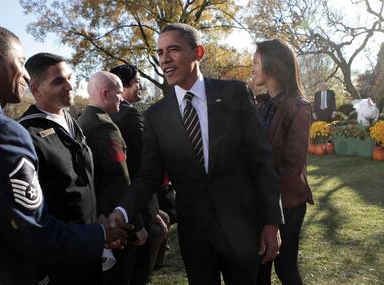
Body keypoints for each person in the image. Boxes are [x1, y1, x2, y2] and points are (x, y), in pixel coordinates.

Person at [108, 23, 284, 285]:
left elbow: (262, 160)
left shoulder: (235, 93)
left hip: (244, 228)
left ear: (198, 52)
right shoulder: (156, 116)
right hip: (196, 237)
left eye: (173, 49)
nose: (164, 58)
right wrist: (122, 212)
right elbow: (148, 176)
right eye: (159, 52)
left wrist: (272, 222)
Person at [0, 21, 128, 285]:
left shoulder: (73, 123)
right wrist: (100, 235)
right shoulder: (4, 132)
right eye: (20, 61)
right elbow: (33, 233)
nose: (24, 73)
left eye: (70, 78)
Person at [18, 53, 106, 284]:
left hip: (90, 250)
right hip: (58, 263)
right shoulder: (26, 134)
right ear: (35, 89)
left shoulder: (71, 121)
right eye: (58, 81)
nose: (69, 85)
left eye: (69, 77)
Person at [252, 39, 313, 285]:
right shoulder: (261, 105)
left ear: (273, 65)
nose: (252, 68)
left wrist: (272, 216)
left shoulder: (299, 108)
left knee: (285, 268)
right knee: (259, 269)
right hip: (260, 201)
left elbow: (290, 169)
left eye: (256, 62)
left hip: (287, 204)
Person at [78, 71, 147, 285]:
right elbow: (120, 181)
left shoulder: (82, 121)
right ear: (105, 93)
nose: (121, 97)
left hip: (98, 217)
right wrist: (137, 224)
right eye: (118, 93)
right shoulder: (104, 126)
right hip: (116, 226)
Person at [110, 64, 170, 284]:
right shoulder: (131, 117)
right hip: (136, 205)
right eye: (136, 82)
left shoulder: (110, 116)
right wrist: (145, 216)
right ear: (123, 87)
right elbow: (141, 168)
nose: (141, 85)